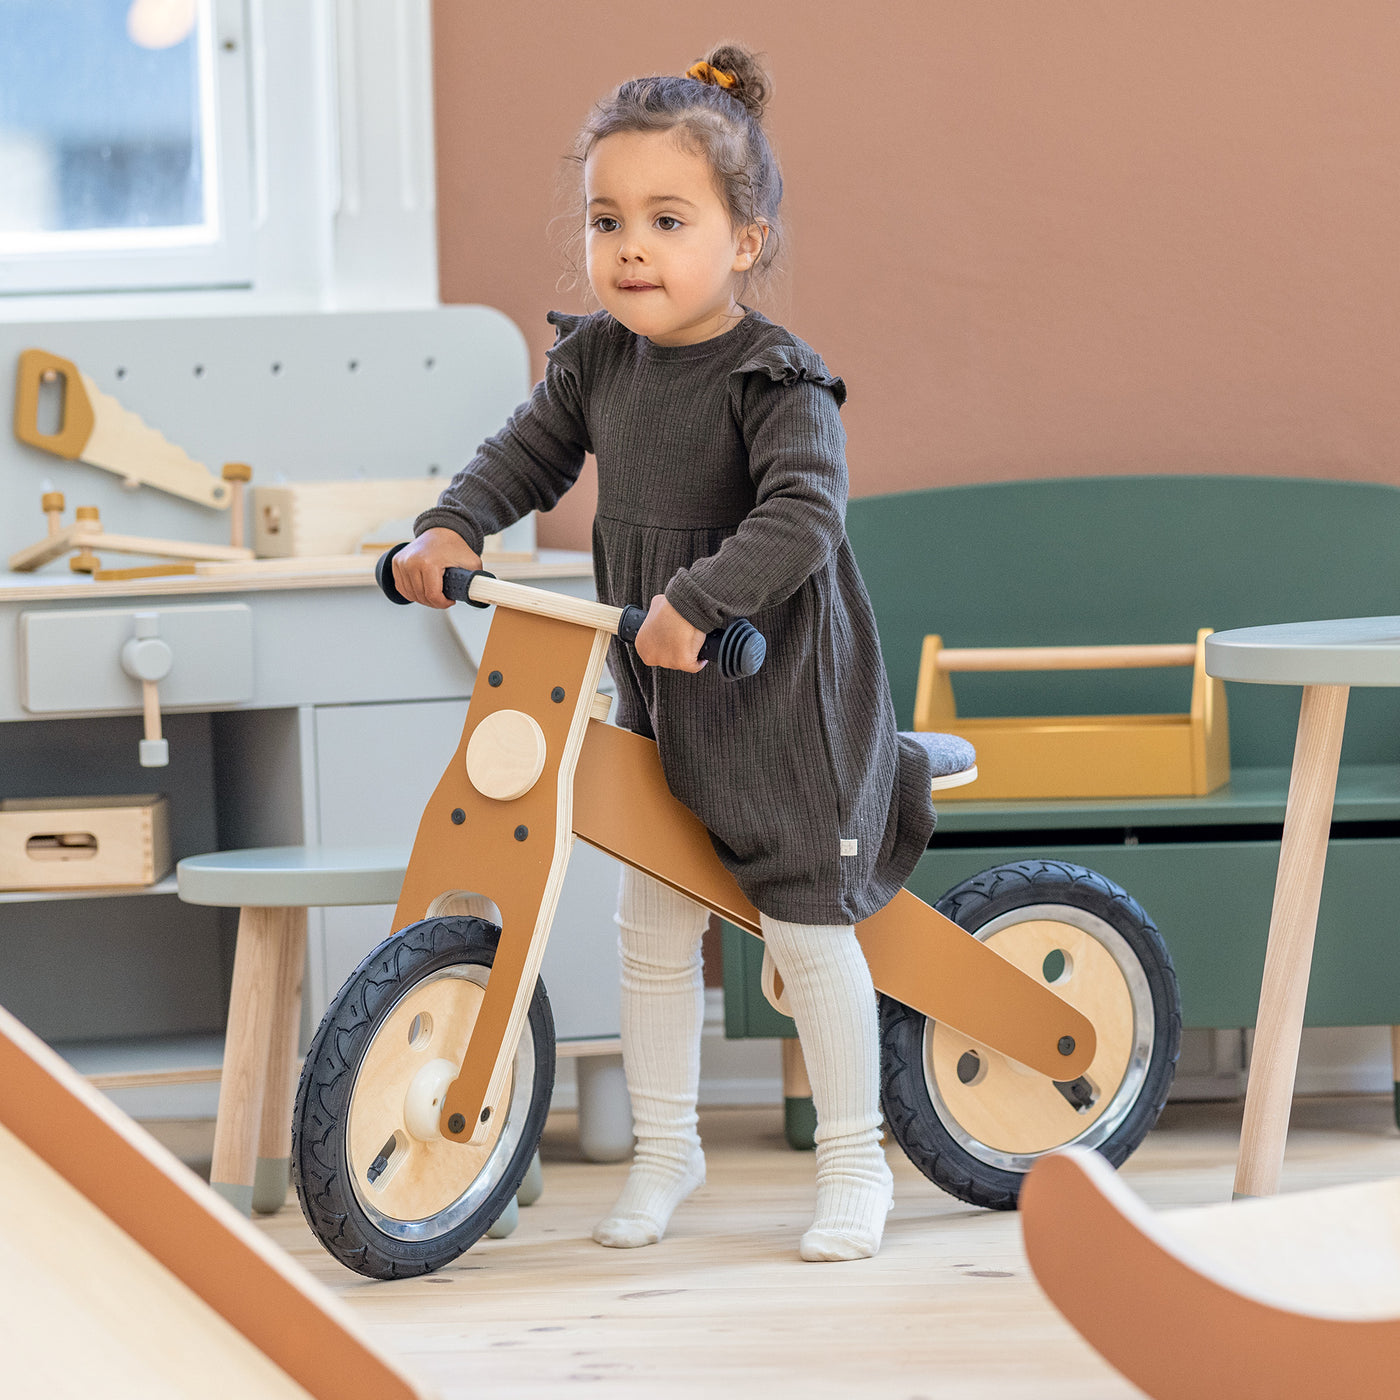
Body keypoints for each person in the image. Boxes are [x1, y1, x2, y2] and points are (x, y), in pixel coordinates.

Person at [392, 44, 944, 1263]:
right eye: (606, 219)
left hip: (779, 690)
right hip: (657, 688)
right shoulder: (595, 359)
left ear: (743, 241)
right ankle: (664, 1147)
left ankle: (856, 1160)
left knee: (804, 929)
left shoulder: (773, 376)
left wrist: (698, 597)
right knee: (649, 921)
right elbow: (523, 456)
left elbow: (802, 514)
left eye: (665, 218)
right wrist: (449, 523)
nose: (628, 246)